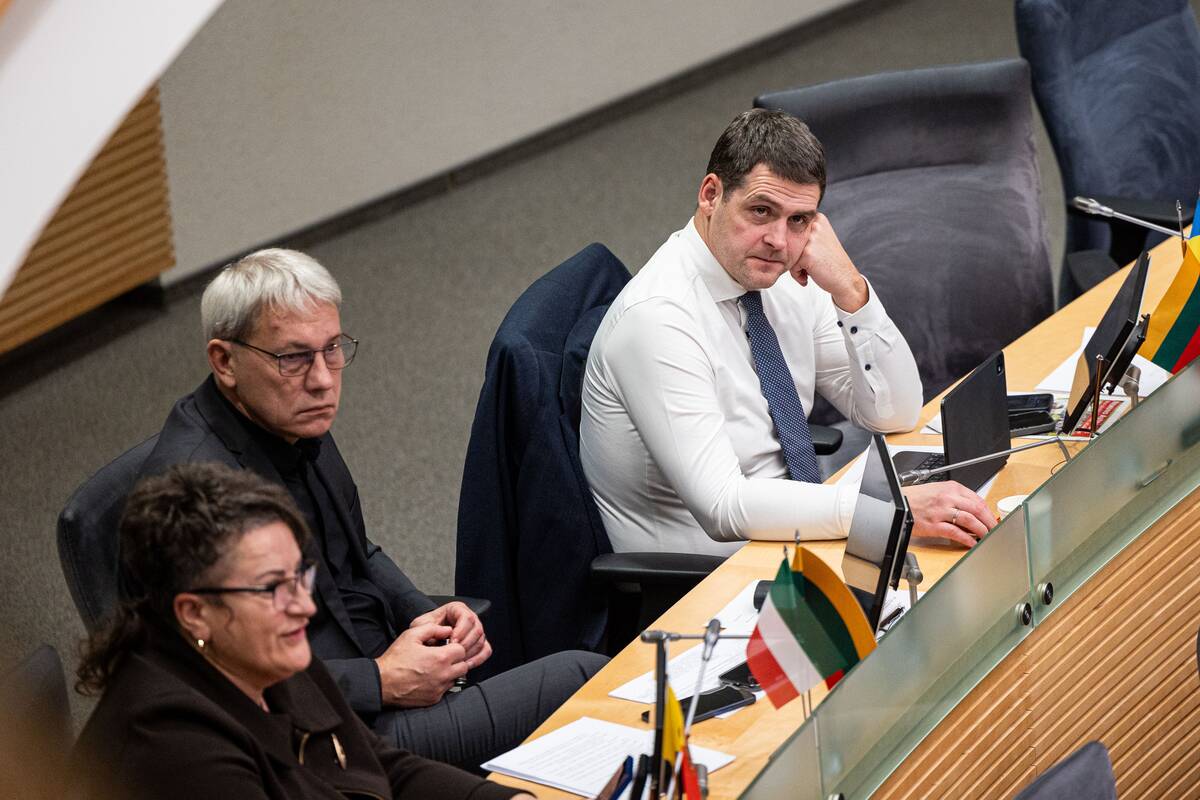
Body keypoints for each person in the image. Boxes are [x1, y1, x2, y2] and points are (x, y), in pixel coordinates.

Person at [137, 248, 605, 769]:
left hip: (381, 668)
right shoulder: (198, 498)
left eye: (331, 348)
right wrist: (381, 681)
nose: (322, 379)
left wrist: (421, 610)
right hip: (329, 730)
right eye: (292, 358)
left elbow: (356, 549)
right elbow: (214, 672)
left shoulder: (289, 415)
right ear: (224, 361)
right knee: (586, 678)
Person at [580, 109, 995, 558]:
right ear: (710, 195)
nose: (779, 240)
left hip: (795, 530)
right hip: (709, 580)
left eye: (799, 220)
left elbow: (894, 413)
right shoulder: (657, 320)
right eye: (761, 211)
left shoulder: (786, 279)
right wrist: (882, 512)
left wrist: (851, 290)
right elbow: (724, 506)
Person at [71, 462, 532, 800]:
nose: (304, 606)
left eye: (300, 577)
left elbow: (380, 764)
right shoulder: (172, 745)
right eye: (273, 588)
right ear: (195, 613)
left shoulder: (262, 653)